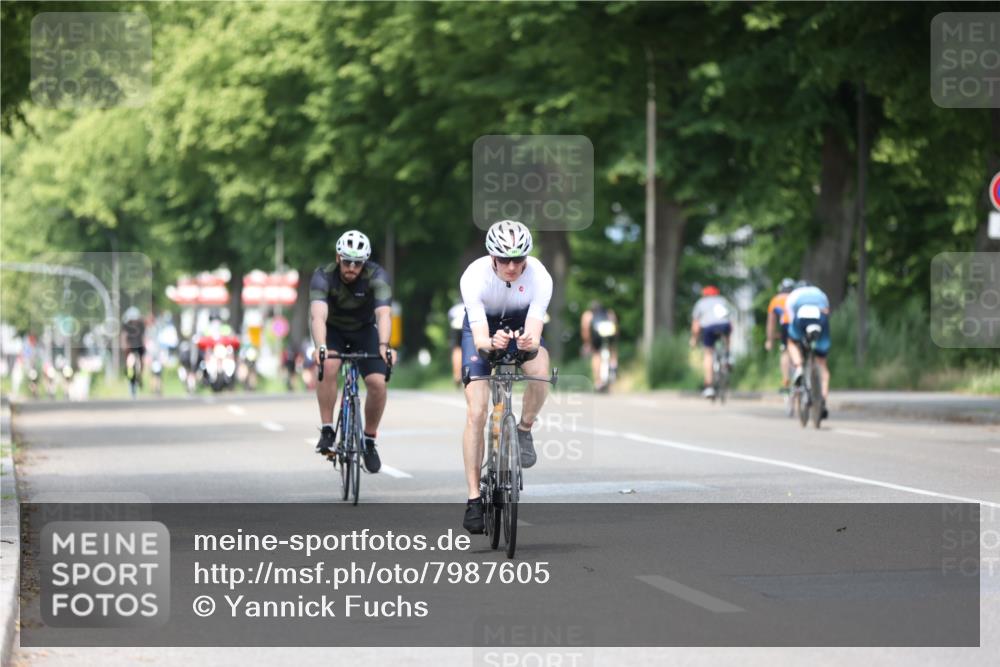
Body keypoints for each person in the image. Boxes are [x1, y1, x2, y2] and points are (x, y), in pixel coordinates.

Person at [459, 220, 552, 534]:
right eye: (505, 260)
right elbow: (481, 337)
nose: (513, 266)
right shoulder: (474, 277)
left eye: (519, 260)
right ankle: (473, 498)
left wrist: (528, 343)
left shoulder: (540, 276)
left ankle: (524, 429)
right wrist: (489, 344)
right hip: (482, 328)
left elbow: (535, 334)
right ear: (492, 257)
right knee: (476, 412)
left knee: (540, 371)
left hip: (520, 323)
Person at [309, 230, 393, 473]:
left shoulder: (377, 276)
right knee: (329, 365)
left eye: (358, 263)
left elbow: (383, 314)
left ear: (364, 263)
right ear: (338, 258)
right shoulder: (323, 276)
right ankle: (327, 429)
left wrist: (385, 346)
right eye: (347, 261)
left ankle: (369, 440)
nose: (352, 267)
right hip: (332, 330)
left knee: (378, 383)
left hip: (364, 331)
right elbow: (317, 315)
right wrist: (320, 346)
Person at [785, 280, 832, 419]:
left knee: (791, 342)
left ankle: (799, 366)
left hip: (801, 317)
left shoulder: (793, 295)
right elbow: (827, 312)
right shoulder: (820, 293)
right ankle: (822, 399)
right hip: (820, 319)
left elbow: (791, 318)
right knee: (822, 364)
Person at [689, 285, 734, 398]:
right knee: (727, 335)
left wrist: (694, 339)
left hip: (709, 327)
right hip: (724, 325)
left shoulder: (701, 303)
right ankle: (728, 357)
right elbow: (730, 317)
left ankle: (709, 387)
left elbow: (696, 325)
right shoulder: (722, 300)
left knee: (708, 353)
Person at [765, 278, 796, 394]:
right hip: (800, 324)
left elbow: (771, 323)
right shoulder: (797, 296)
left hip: (786, 325)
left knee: (785, 351)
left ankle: (786, 380)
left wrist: (770, 340)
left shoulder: (776, 300)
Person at [580, 300, 619, 391]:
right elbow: (616, 328)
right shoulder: (609, 313)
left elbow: (585, 329)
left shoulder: (587, 315)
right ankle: (613, 366)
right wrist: (614, 341)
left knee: (596, 354)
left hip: (596, 335)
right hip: (610, 334)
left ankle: (598, 381)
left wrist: (587, 343)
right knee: (612, 349)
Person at [121, 306, 146, 391]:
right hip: (130, 347)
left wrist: (144, 345)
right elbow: (124, 337)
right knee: (129, 361)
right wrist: (125, 346)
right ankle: (129, 376)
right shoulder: (127, 327)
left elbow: (143, 337)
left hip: (139, 345)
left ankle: (140, 376)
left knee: (141, 361)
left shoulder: (141, 326)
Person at [448, 302, 466, 387]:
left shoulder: (453, 309)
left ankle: (457, 376)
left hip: (455, 326)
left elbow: (450, 319)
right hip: (467, 326)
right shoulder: (472, 303)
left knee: (457, 350)